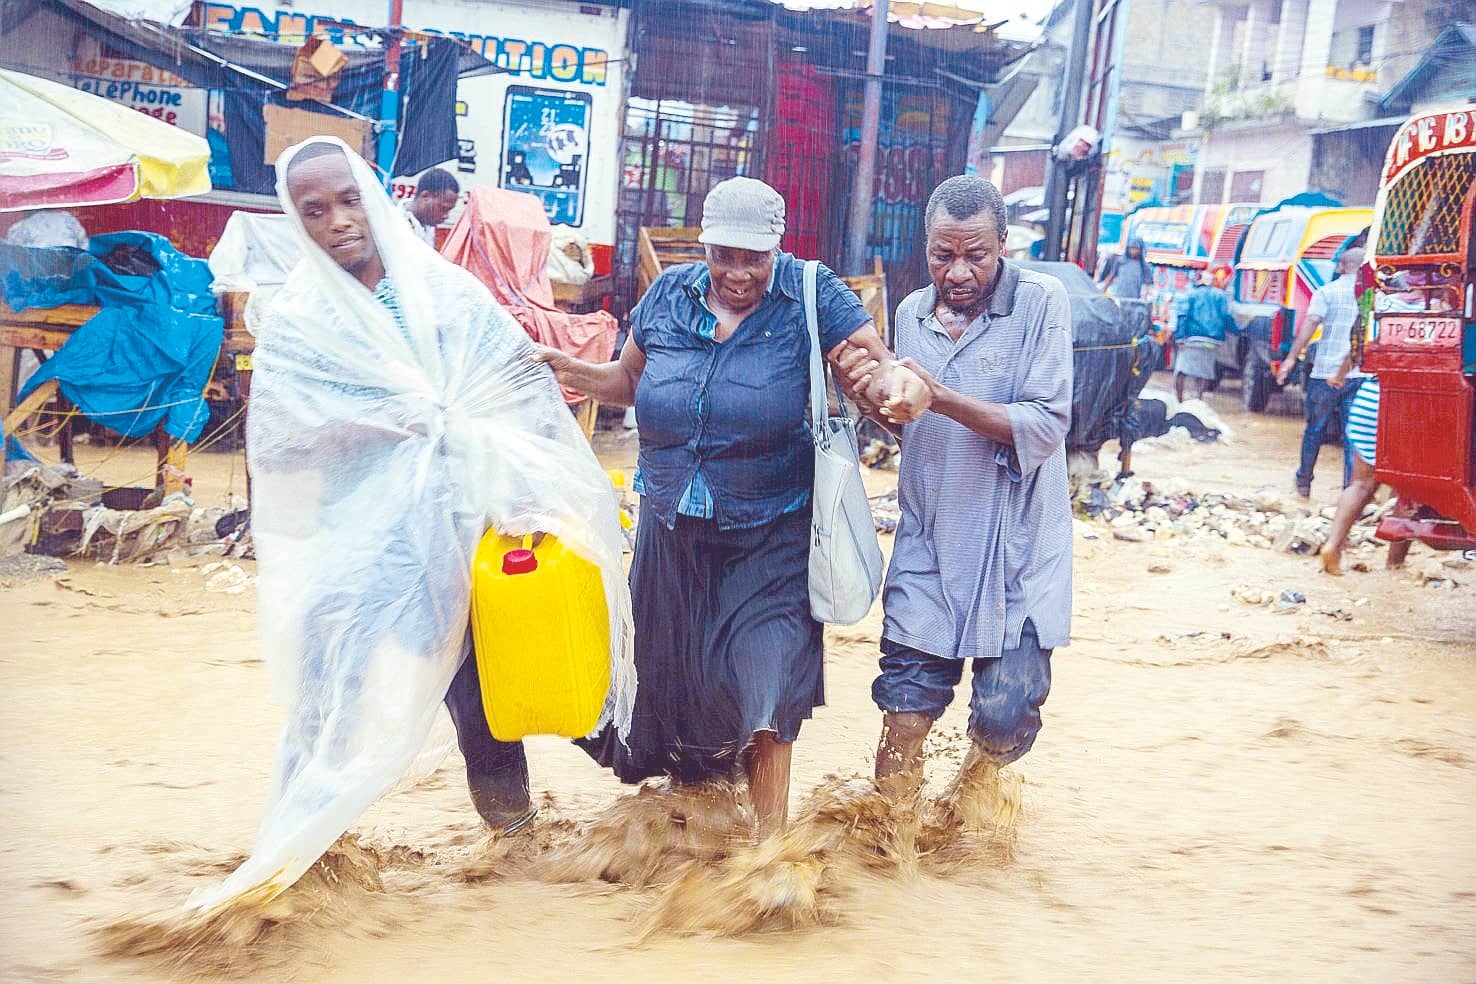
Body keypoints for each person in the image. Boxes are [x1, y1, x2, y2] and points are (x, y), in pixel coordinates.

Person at [537, 176, 929, 837]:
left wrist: (892, 384)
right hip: (669, 527)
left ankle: (770, 850)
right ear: (705, 244)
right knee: (673, 690)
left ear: (777, 249)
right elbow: (629, 383)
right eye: (726, 255)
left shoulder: (810, 292)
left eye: (755, 257)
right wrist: (567, 369)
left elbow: (876, 364)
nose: (739, 272)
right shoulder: (667, 295)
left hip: (772, 529)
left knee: (768, 682)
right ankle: (691, 827)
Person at [840, 175, 1072, 803]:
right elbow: (897, 422)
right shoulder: (912, 315)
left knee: (1002, 722)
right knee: (904, 713)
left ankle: (970, 799)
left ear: (1003, 243)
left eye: (976, 255)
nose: (959, 272)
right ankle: (893, 854)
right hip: (932, 545)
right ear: (926, 249)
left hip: (1018, 554)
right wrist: (865, 395)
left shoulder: (1042, 302)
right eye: (943, 256)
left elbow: (1046, 426)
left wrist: (938, 396)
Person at [1277, 247, 1366, 499]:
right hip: (1358, 374)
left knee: (1314, 429)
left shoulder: (1327, 292)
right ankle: (1351, 490)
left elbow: (1311, 322)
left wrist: (1292, 357)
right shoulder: (1369, 295)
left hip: (1325, 372)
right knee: (1353, 435)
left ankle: (1304, 482)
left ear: (1340, 266)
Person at [1172, 267, 1234, 402]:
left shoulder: (1190, 295)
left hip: (1192, 340)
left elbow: (1182, 316)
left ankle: (1179, 401)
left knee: (1181, 371)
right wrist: (1239, 330)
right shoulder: (1220, 296)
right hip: (1212, 341)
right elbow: (1226, 317)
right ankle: (1198, 399)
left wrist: (1179, 338)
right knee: (1204, 371)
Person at [402, 166, 460, 246]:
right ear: (425, 196)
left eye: (449, 210)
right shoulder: (396, 225)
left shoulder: (428, 225)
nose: (446, 216)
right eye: (443, 208)